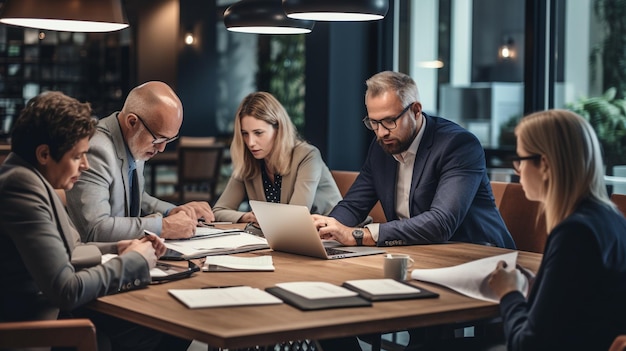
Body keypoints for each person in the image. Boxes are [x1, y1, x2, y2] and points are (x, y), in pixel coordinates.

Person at [0, 91, 190, 350]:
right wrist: (132, 262)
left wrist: (118, 248)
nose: (86, 165)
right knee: (167, 329)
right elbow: (67, 290)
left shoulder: (31, 180)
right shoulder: (21, 188)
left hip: (54, 314)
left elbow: (70, 251)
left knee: (168, 326)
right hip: (38, 328)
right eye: (78, 156)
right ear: (44, 154)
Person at [314, 71, 515, 249]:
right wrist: (326, 227)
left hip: (478, 254)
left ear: (416, 110)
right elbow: (353, 206)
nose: (382, 132)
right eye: (374, 123)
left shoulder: (458, 145)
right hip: (418, 252)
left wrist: (359, 235)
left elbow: (441, 223)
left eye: (390, 121)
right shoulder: (381, 147)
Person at [487, 109, 626, 350]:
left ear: (545, 164)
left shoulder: (575, 233)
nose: (517, 170)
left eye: (521, 159)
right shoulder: (611, 218)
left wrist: (509, 292)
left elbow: (527, 345)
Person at [66, 81, 215, 241]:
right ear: (132, 122)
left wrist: (173, 212)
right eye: (158, 139)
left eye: (169, 139)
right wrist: (163, 227)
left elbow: (136, 198)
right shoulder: (97, 150)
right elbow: (96, 229)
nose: (162, 148)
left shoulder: (134, 139)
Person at [212, 91, 341, 223]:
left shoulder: (308, 156)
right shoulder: (249, 161)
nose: (250, 142)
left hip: (328, 237)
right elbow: (218, 211)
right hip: (281, 238)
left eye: (258, 133)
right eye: (245, 134)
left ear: (278, 129)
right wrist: (247, 217)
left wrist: (262, 218)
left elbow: (295, 217)